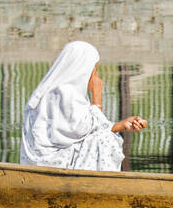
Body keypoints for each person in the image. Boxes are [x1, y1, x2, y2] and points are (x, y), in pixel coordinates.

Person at [20, 41, 148, 172]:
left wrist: (123, 125)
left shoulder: (56, 90)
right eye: (94, 69)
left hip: (48, 159)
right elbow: (82, 130)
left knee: (103, 136)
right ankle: (99, 185)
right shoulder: (65, 92)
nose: (95, 75)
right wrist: (97, 96)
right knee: (105, 140)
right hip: (50, 162)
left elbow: (86, 128)